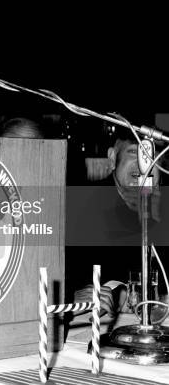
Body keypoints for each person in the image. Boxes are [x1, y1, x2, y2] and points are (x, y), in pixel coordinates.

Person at [67, 127, 168, 317]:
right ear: (113, 158)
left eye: (151, 155)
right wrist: (71, 298)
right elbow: (53, 279)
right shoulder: (77, 207)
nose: (143, 164)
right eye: (133, 152)